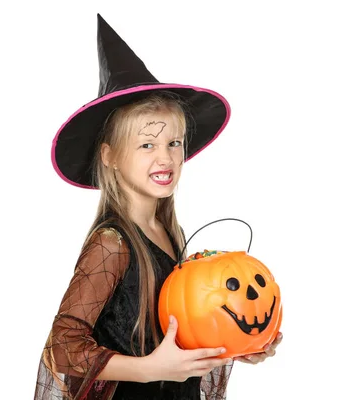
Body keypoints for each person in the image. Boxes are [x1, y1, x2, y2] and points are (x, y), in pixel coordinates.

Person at [34, 14, 282, 400]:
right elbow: (61, 347)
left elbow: (181, 329)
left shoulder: (171, 234)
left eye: (174, 143)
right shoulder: (111, 242)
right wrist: (149, 369)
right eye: (146, 145)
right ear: (111, 156)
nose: (165, 158)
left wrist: (236, 339)